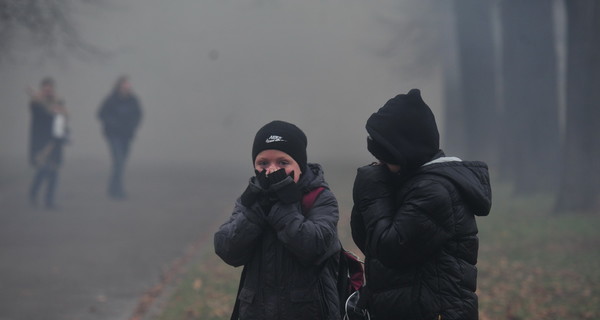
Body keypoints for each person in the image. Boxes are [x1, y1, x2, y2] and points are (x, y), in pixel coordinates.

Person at [350, 89, 492, 320]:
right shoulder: (408, 184)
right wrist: (370, 194)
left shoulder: (435, 192)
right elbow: (368, 242)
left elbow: (389, 250)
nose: (381, 164)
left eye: (386, 157)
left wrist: (373, 192)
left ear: (405, 152)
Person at [214, 120, 342, 320]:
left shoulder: (319, 197)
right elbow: (227, 249)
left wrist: (285, 204)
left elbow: (314, 247)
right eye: (263, 163)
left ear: (299, 165)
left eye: (283, 163)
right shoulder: (251, 200)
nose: (271, 171)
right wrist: (257, 209)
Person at [97, 75, 143, 199]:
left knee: (120, 163)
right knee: (119, 161)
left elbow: (139, 115)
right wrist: (112, 123)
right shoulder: (111, 100)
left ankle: (112, 188)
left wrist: (133, 126)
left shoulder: (133, 100)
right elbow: (101, 114)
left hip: (127, 136)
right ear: (118, 87)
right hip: (113, 136)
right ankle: (118, 190)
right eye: (124, 86)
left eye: (128, 86)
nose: (126, 88)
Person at [28, 77, 69, 210]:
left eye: (50, 89)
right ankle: (33, 193)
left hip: (55, 141)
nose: (48, 91)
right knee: (44, 170)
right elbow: (42, 114)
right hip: (42, 141)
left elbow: (63, 120)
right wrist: (51, 109)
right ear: (42, 90)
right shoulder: (36, 104)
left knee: (54, 172)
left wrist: (64, 134)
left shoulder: (59, 103)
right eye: (45, 89)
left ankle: (49, 201)